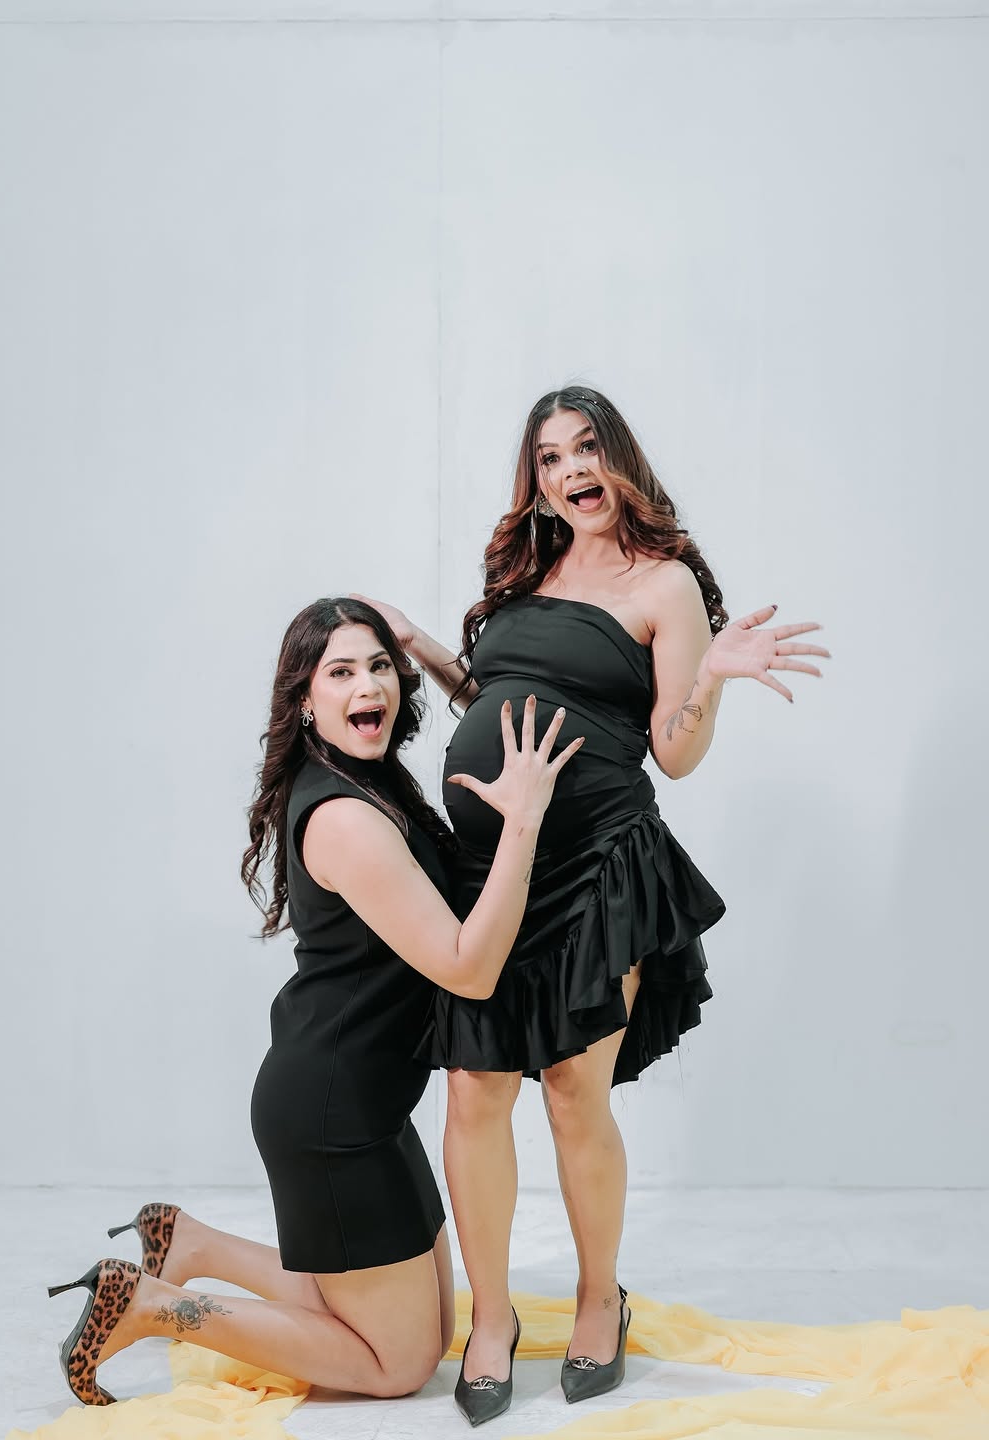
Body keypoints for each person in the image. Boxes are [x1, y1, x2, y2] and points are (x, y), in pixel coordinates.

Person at [357, 385, 829, 1424]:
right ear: (535, 480)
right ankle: (490, 1319)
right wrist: (423, 644)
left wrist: (714, 676)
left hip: (595, 863)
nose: (571, 469)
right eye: (549, 456)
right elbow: (496, 699)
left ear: (617, 458)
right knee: (474, 1091)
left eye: (585, 448)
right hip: (493, 867)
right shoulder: (524, 573)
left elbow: (675, 753)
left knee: (575, 1092)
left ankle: (596, 1298)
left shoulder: (664, 584)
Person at [45, 596, 582, 1408]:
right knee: (398, 1366)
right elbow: (467, 969)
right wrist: (524, 822)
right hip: (331, 1118)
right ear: (305, 698)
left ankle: (189, 1244)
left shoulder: (365, 777)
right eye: (341, 672)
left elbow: (494, 713)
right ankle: (152, 1307)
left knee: (434, 1327)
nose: (368, 686)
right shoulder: (343, 818)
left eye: (379, 666)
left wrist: (427, 647)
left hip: (367, 1103)